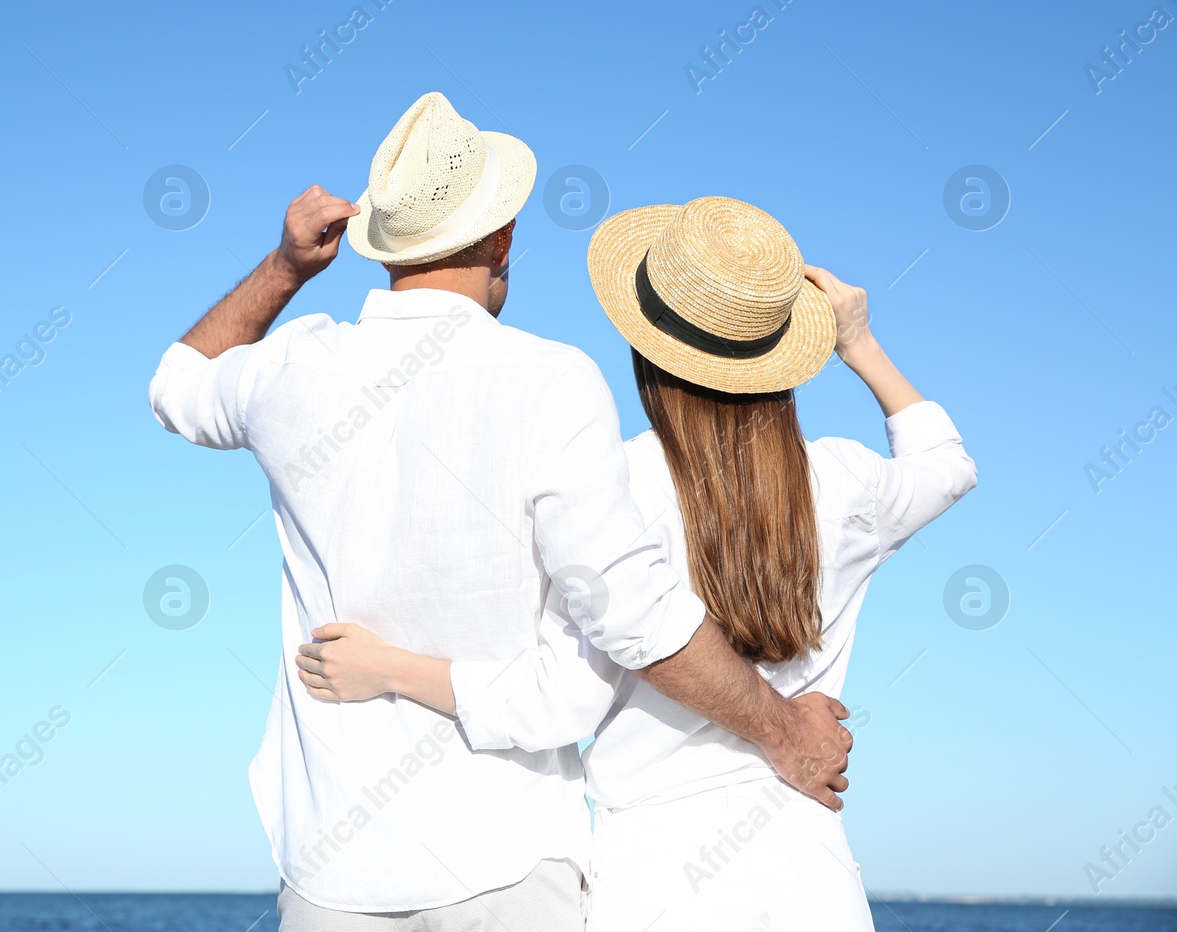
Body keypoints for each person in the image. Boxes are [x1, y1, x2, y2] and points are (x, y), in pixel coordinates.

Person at [149, 98, 852, 930]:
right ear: (503, 237)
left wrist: (285, 267)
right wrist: (782, 731)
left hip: (334, 870)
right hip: (508, 864)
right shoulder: (550, 380)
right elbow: (633, 617)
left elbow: (175, 385)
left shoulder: (291, 370)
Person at [296, 197, 977, 931]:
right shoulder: (844, 482)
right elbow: (947, 463)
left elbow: (552, 697)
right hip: (809, 867)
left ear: (647, 346)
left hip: (654, 875)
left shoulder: (612, 488)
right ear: (779, 356)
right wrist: (861, 343)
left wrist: (390, 668)